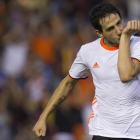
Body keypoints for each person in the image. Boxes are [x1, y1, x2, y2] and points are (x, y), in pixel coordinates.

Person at [32, 3, 140, 140]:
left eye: (119, 23)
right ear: (99, 33)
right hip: (103, 132)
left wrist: (125, 37)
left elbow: (126, 74)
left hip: (135, 132)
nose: (118, 30)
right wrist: (43, 117)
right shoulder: (88, 51)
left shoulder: (137, 44)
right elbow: (67, 84)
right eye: (110, 29)